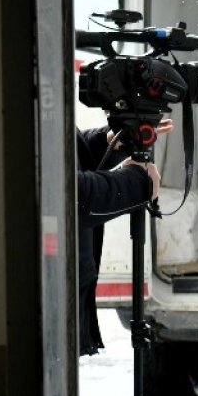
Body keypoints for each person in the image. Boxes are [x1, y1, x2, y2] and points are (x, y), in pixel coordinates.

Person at [75, 122, 164, 356]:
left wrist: (110, 141)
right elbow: (68, 194)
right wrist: (137, 182)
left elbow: (63, 155)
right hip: (48, 290)